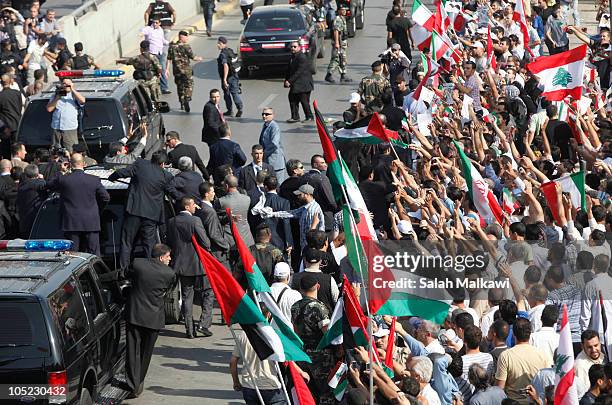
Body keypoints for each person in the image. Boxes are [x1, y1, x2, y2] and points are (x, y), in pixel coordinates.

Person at [108, 151, 179, 269]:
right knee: (149, 246)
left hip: (133, 211)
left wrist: (112, 177)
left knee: (127, 243)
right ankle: (150, 270)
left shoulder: (140, 165)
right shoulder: (166, 176)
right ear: (162, 164)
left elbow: (121, 172)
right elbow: (173, 192)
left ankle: (122, 271)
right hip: (151, 216)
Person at [124, 244, 176, 399]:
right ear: (161, 257)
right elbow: (168, 291)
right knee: (146, 353)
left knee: (133, 352)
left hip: (135, 315)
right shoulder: (170, 274)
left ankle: (133, 385)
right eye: (168, 256)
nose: (170, 259)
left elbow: (122, 274)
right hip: (154, 319)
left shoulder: (138, 264)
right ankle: (139, 382)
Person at [166, 197, 214, 339]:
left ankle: (189, 329)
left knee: (187, 297)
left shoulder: (171, 222)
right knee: (208, 291)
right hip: (198, 265)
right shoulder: (195, 221)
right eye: (193, 204)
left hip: (180, 264)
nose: (196, 207)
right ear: (187, 207)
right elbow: (205, 242)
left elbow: (169, 242)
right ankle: (204, 324)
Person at [46, 153, 110, 255]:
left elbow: (48, 184)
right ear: (84, 164)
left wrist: (61, 171)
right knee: (93, 253)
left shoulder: (64, 179)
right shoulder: (94, 180)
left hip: (71, 223)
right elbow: (105, 197)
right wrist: (97, 209)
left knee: (72, 255)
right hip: (91, 221)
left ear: (70, 164)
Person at [290, 274, 333, 403]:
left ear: (300, 289)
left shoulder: (295, 306)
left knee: (309, 391)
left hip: (303, 354)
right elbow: (327, 333)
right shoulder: (318, 307)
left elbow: (295, 331)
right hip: (320, 356)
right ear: (318, 286)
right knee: (325, 392)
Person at [230, 321, 287, 405]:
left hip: (249, 385)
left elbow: (233, 361)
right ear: (268, 314)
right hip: (270, 385)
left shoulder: (243, 335)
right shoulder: (273, 335)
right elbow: (286, 359)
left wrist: (236, 381)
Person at [495, 318, 551, 402]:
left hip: (513, 402)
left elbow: (500, 388)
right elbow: (547, 384)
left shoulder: (505, 356)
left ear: (513, 334)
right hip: (536, 402)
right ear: (530, 334)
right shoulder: (543, 355)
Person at [261, 183, 325, 250]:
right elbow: (291, 213)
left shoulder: (312, 210)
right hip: (306, 246)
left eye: (300, 195)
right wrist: (272, 214)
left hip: (310, 247)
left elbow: (312, 232)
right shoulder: (306, 208)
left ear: (307, 195)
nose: (298, 197)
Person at [196, 181, 233, 269]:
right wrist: (226, 245)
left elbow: (212, 222)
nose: (214, 194)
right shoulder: (210, 211)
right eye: (212, 192)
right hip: (217, 252)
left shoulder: (200, 207)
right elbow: (213, 234)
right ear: (206, 194)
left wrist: (228, 218)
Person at [46, 77, 86, 153]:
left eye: (68, 84)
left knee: (71, 151)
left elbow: (82, 101)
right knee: (55, 151)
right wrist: (58, 97)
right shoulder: (56, 95)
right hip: (56, 127)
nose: (66, 86)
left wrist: (72, 89)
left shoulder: (74, 96)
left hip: (69, 128)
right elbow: (49, 109)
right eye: (64, 84)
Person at [166, 30, 202, 112]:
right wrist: (199, 58)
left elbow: (168, 59)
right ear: (182, 37)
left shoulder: (172, 47)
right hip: (186, 71)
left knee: (180, 87)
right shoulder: (186, 46)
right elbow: (193, 57)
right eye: (186, 37)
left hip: (177, 71)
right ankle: (187, 97)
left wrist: (167, 69)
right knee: (189, 85)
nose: (187, 38)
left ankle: (182, 103)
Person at [218, 174, 254, 246]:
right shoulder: (247, 199)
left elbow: (216, 219)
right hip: (246, 238)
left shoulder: (221, 201)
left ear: (227, 186)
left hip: (231, 239)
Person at [261, 175, 293, 254]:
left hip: (262, 239)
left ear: (265, 187)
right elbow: (286, 223)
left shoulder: (259, 201)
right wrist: (289, 242)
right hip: (279, 240)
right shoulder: (284, 202)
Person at [285, 41, 314, 123]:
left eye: (294, 47)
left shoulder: (302, 57)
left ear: (299, 47)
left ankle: (309, 117)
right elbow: (289, 70)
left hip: (304, 84)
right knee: (292, 99)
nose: (292, 48)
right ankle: (295, 117)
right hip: (297, 84)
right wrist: (286, 80)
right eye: (291, 47)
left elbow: (299, 71)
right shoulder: (293, 57)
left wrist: (290, 81)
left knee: (304, 101)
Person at [16, 164, 47, 238]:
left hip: (24, 223)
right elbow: (44, 185)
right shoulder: (38, 184)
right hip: (37, 222)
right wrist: (42, 179)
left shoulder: (22, 186)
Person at [216, 36, 243, 117]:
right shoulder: (229, 50)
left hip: (228, 78)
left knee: (227, 94)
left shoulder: (223, 54)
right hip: (234, 76)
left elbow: (225, 66)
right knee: (234, 93)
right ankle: (239, 108)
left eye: (219, 43)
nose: (217, 45)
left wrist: (224, 79)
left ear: (223, 44)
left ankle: (231, 110)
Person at [258, 108, 287, 183]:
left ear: (273, 115)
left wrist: (264, 154)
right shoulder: (266, 125)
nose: (264, 116)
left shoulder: (274, 126)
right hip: (268, 161)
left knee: (278, 184)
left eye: (267, 114)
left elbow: (274, 144)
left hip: (275, 162)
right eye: (263, 114)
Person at [575, 330, 605, 399]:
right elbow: (583, 392)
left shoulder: (604, 356)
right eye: (589, 347)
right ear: (582, 346)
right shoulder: (580, 365)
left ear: (600, 343)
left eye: (596, 345)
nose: (594, 350)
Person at [325, 5, 351, 84]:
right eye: (342, 10)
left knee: (342, 59)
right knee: (336, 59)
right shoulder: (337, 19)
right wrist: (337, 43)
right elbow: (336, 31)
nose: (344, 11)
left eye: (345, 10)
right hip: (338, 43)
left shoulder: (343, 18)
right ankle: (329, 75)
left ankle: (343, 75)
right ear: (339, 10)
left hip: (342, 43)